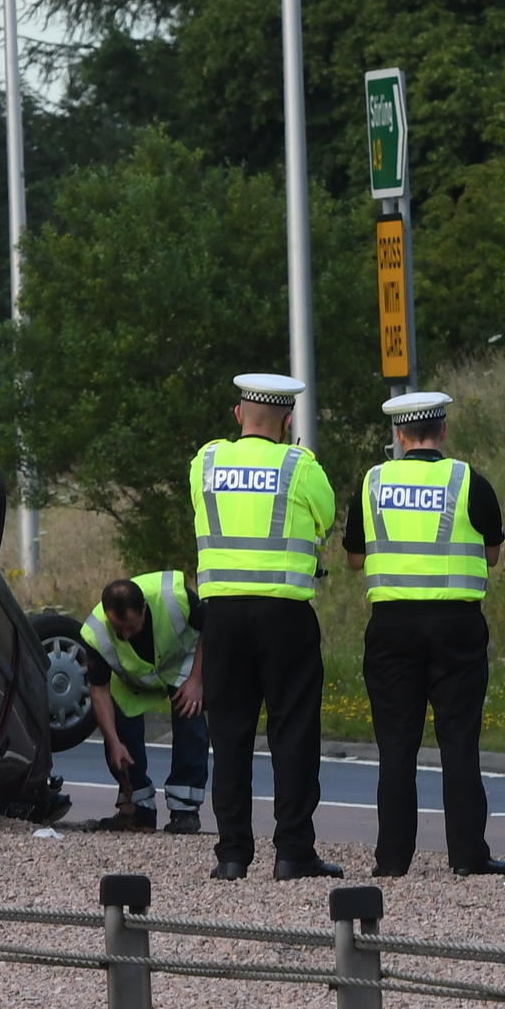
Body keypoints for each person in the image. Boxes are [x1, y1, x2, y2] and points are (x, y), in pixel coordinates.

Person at [344, 390, 505, 879]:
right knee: (459, 740)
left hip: (391, 628)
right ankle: (467, 856)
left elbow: (355, 559)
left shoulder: (373, 482)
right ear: (443, 431)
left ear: (398, 435)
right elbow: (493, 554)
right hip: (456, 625)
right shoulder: (467, 481)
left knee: (396, 744)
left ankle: (392, 860)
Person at [190, 371, 341, 882]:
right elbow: (324, 520)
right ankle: (293, 852)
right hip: (284, 615)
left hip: (222, 616)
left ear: (238, 416)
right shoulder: (300, 465)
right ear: (288, 420)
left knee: (229, 734)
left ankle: (232, 854)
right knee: (293, 731)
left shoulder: (206, 461)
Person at [78, 569, 206, 833]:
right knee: (119, 730)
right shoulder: (95, 631)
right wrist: (114, 743)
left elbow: (211, 630)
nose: (125, 636)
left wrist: (196, 682)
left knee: (189, 715)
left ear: (145, 609)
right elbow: (99, 691)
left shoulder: (174, 597)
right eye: (118, 630)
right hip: (133, 677)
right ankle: (138, 809)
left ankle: (185, 811)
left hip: (182, 665)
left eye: (131, 627)